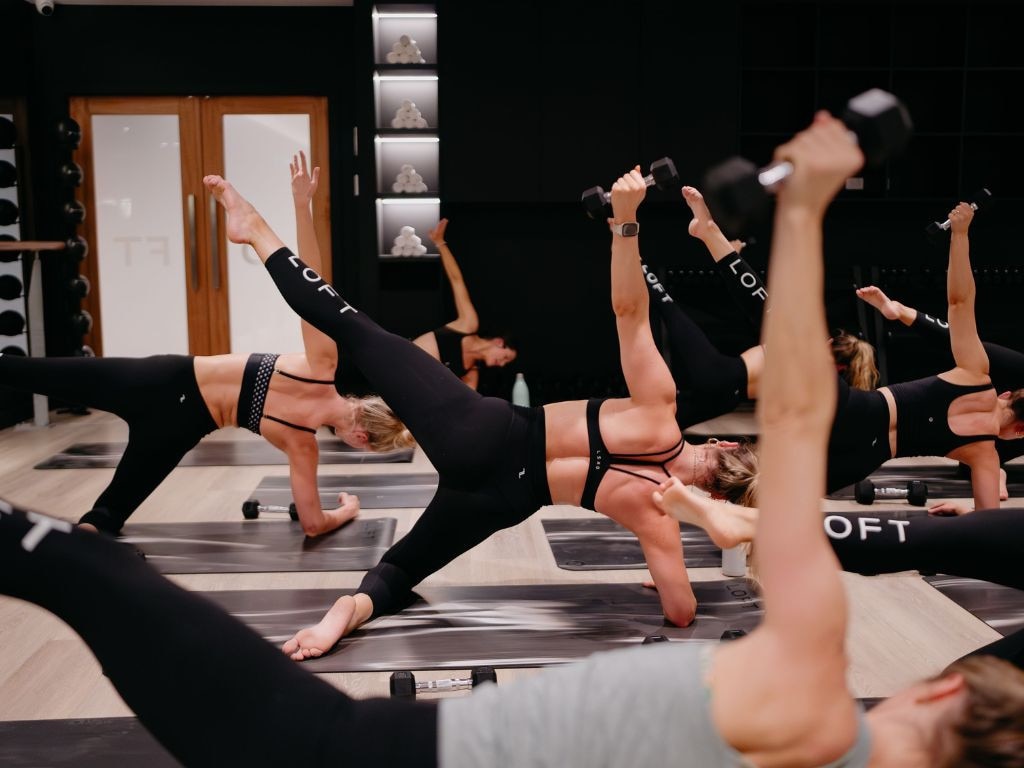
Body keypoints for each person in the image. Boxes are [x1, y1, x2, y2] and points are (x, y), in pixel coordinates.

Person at [5, 111, 1023, 768]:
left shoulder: (784, 642)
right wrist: (691, 556)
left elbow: (743, 382)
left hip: (491, 450)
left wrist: (739, 213)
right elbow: (677, 599)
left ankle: (262, 242)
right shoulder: (669, 478)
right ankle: (327, 616)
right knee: (387, 534)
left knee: (360, 359)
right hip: (501, 473)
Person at [202, 164, 759, 657]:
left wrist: (625, 223)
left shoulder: (661, 412)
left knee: (352, 326)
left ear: (725, 445)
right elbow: (681, 612)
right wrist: (672, 564)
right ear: (715, 501)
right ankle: (347, 612)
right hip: (500, 498)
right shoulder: (657, 517)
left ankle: (254, 229)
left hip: (486, 433)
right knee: (400, 569)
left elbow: (629, 311)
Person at [0, 153, 410, 537]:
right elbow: (313, 524)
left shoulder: (324, 365)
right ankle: (79, 551)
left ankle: (249, 222)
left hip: (159, 378)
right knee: (105, 517)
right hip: (179, 427)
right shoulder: (302, 443)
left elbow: (311, 283)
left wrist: (302, 206)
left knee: (18, 371)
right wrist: (348, 510)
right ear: (361, 439)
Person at [650, 186, 1023, 515]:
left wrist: (960, 235)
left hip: (853, 410)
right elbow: (987, 524)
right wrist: (966, 511)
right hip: (860, 460)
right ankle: (689, 523)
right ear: (1020, 434)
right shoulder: (985, 455)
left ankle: (710, 234)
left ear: (1008, 393)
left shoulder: (977, 373)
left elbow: (959, 301)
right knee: (763, 491)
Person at [642, 185, 879, 434]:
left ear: (833, 353)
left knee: (671, 310)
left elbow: (756, 297)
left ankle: (645, 258)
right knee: (658, 428)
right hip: (724, 397)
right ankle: (701, 235)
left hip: (718, 374)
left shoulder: (808, 359)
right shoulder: (821, 386)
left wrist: (713, 234)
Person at [410, 218, 518, 390]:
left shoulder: (470, 372)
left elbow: (468, 407)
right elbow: (456, 281)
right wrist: (440, 243)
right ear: (499, 342)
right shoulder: (468, 326)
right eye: (506, 358)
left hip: (408, 388)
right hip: (399, 360)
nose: (502, 364)